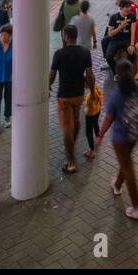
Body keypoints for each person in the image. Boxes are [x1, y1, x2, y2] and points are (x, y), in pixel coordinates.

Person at [97, 59, 138, 220]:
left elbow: (108, 119)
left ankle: (137, 206)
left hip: (120, 137)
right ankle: (117, 185)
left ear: (117, 76)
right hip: (136, 132)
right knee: (126, 161)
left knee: (127, 167)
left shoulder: (116, 94)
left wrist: (100, 134)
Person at [50, 25, 95, 174]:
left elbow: (52, 76)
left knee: (67, 129)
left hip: (64, 96)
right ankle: (71, 148)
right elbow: (89, 75)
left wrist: (47, 86)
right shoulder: (85, 53)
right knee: (75, 122)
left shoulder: (59, 54)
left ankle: (71, 162)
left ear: (66, 36)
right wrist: (93, 92)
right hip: (78, 96)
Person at [103, 0, 136, 74]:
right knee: (108, 56)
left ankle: (126, 72)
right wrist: (120, 28)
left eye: (129, 7)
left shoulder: (132, 16)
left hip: (126, 39)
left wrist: (132, 45)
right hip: (115, 39)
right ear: (121, 7)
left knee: (132, 53)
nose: (129, 9)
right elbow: (110, 34)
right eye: (126, 7)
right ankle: (116, 72)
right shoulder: (114, 17)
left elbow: (133, 31)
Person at [84, 71, 103, 160]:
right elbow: (100, 101)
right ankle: (98, 135)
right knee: (96, 123)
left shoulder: (89, 96)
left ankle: (91, 150)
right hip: (97, 111)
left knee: (88, 132)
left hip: (90, 115)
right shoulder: (97, 89)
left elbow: (88, 107)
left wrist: (85, 110)